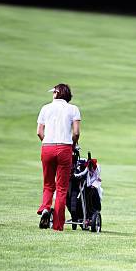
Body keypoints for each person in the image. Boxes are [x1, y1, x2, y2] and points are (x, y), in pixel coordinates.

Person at [36, 83, 81, 231]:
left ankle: (45, 208)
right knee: (61, 188)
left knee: (48, 184)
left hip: (47, 146)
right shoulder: (73, 109)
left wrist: (47, 143)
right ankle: (57, 225)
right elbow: (76, 133)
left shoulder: (45, 108)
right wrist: (73, 145)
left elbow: (39, 132)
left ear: (56, 93)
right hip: (65, 148)